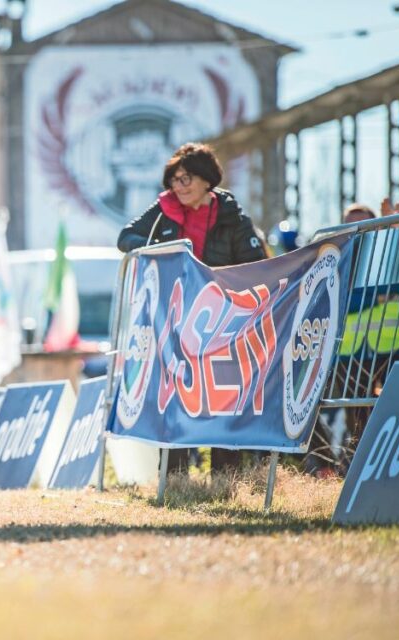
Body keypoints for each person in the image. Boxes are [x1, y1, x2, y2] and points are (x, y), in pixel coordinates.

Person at [117, 142, 265, 473]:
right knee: (173, 403)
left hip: (222, 326)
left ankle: (226, 480)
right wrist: (165, 250)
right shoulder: (162, 210)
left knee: (222, 403)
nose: (180, 186)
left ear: (207, 180)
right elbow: (126, 237)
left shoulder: (232, 215)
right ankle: (174, 480)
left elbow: (255, 265)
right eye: (175, 179)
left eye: (188, 179)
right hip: (175, 325)